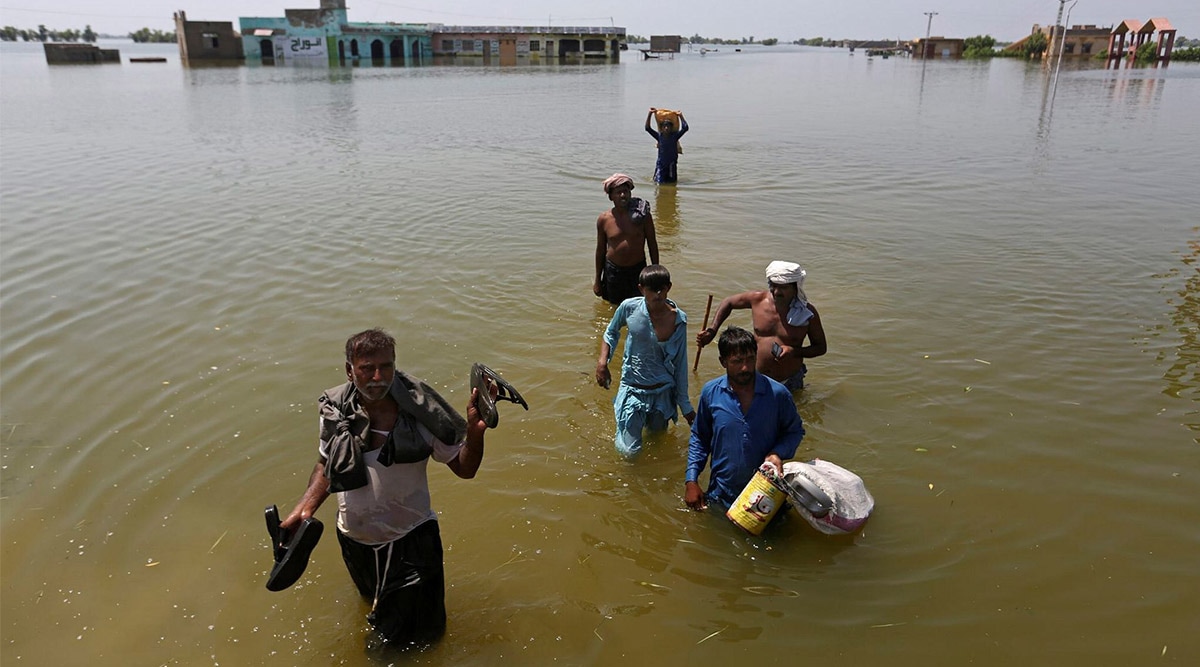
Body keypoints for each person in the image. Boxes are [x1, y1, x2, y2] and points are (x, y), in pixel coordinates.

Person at [277, 328, 492, 646]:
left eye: (386, 366)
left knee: (416, 641)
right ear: (350, 370)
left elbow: (465, 469)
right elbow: (327, 464)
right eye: (367, 368)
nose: (378, 376)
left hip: (410, 542)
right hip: (354, 540)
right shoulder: (337, 412)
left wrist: (475, 432)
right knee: (374, 609)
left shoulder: (421, 416)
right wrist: (305, 508)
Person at [685, 326, 805, 511]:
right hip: (721, 494)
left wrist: (777, 452)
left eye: (750, 359)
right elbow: (700, 437)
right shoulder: (711, 393)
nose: (745, 367)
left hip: (766, 494)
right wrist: (691, 480)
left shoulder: (778, 394)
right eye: (737, 361)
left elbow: (795, 431)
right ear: (723, 362)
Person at [596, 265, 695, 458]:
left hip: (662, 392)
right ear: (642, 289)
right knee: (630, 453)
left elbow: (681, 364)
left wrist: (686, 406)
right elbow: (611, 331)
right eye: (651, 289)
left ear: (669, 287)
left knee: (657, 443)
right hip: (633, 388)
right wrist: (602, 362)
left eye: (661, 289)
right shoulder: (629, 308)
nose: (657, 294)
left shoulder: (679, 320)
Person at [695, 260, 827, 391]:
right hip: (755, 377)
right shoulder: (758, 300)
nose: (776, 292)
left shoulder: (807, 313)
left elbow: (821, 348)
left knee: (791, 411)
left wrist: (795, 352)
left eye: (783, 288)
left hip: (790, 381)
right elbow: (728, 302)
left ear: (795, 288)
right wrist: (711, 331)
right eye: (773, 286)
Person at [594, 173, 659, 305]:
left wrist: (655, 272)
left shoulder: (643, 217)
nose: (623, 195)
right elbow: (600, 250)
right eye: (618, 192)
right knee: (613, 307)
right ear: (611, 196)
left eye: (626, 191)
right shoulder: (604, 219)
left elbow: (652, 244)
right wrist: (597, 280)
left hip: (638, 270)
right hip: (613, 271)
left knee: (639, 306)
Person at [645, 108, 688, 183]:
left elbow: (685, 128)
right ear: (661, 128)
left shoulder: (674, 137)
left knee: (672, 182)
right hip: (661, 164)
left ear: (671, 128)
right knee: (658, 182)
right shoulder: (659, 136)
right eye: (664, 126)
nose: (666, 128)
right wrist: (650, 114)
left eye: (668, 126)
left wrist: (681, 116)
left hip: (672, 164)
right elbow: (647, 128)